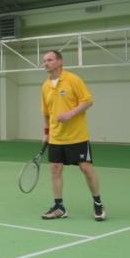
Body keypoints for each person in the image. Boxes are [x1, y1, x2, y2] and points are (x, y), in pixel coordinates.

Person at [40, 50, 106, 221]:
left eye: (49, 60)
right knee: (55, 169)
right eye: (44, 61)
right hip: (56, 137)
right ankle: (59, 207)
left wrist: (70, 114)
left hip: (77, 136)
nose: (46, 63)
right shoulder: (45, 86)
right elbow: (46, 113)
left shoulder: (73, 80)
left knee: (86, 168)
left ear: (59, 61)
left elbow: (88, 101)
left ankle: (98, 203)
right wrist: (47, 132)